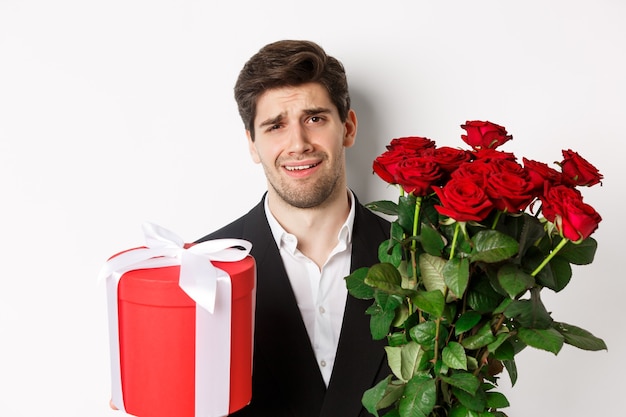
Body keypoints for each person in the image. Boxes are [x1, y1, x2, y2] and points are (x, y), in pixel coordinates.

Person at [196, 40, 391, 417]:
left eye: (314, 118)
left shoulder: (419, 257)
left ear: (348, 128)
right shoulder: (203, 270)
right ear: (253, 144)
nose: (298, 144)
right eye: (275, 126)